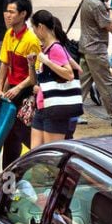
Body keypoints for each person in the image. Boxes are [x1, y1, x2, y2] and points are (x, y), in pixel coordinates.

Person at [0, 0, 41, 168]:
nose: (7, 15)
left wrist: (18, 88)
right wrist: (0, 89)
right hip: (12, 91)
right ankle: (9, 172)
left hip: (26, 92)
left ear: (23, 14)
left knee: (24, 133)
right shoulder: (9, 34)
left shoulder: (31, 40)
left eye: (12, 12)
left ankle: (44, 162)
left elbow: (34, 75)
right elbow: (4, 64)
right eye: (7, 11)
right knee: (10, 135)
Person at [28, 11, 85, 148]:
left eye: (34, 28)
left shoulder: (55, 48)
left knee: (50, 154)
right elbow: (77, 68)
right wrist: (31, 64)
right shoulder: (49, 48)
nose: (34, 32)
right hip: (42, 106)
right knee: (36, 153)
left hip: (55, 108)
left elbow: (70, 74)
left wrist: (47, 62)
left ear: (40, 27)